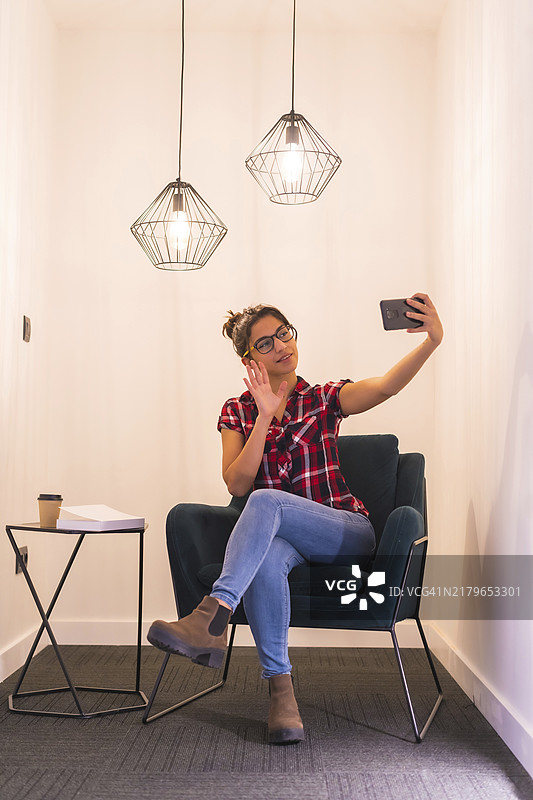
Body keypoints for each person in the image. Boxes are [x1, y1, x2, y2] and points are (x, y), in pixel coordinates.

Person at [148, 295, 443, 745]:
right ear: (250, 359)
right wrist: (264, 417)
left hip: (342, 530)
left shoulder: (323, 398)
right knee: (266, 558)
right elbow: (236, 485)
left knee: (268, 501)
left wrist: (431, 342)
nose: (281, 345)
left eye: (284, 332)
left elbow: (384, 386)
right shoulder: (238, 410)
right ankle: (281, 695)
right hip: (283, 539)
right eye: (265, 343)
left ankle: (212, 615)